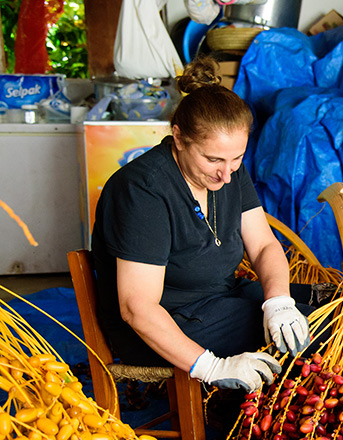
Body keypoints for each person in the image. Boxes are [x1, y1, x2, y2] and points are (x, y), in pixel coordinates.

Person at [91, 57, 314, 392]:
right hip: (166, 323)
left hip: (219, 298)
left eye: (236, 158)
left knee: (330, 309)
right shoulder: (142, 190)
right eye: (213, 159)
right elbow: (136, 307)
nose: (226, 174)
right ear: (179, 138)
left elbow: (264, 244)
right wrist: (211, 366)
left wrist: (278, 302)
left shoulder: (229, 172)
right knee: (315, 336)